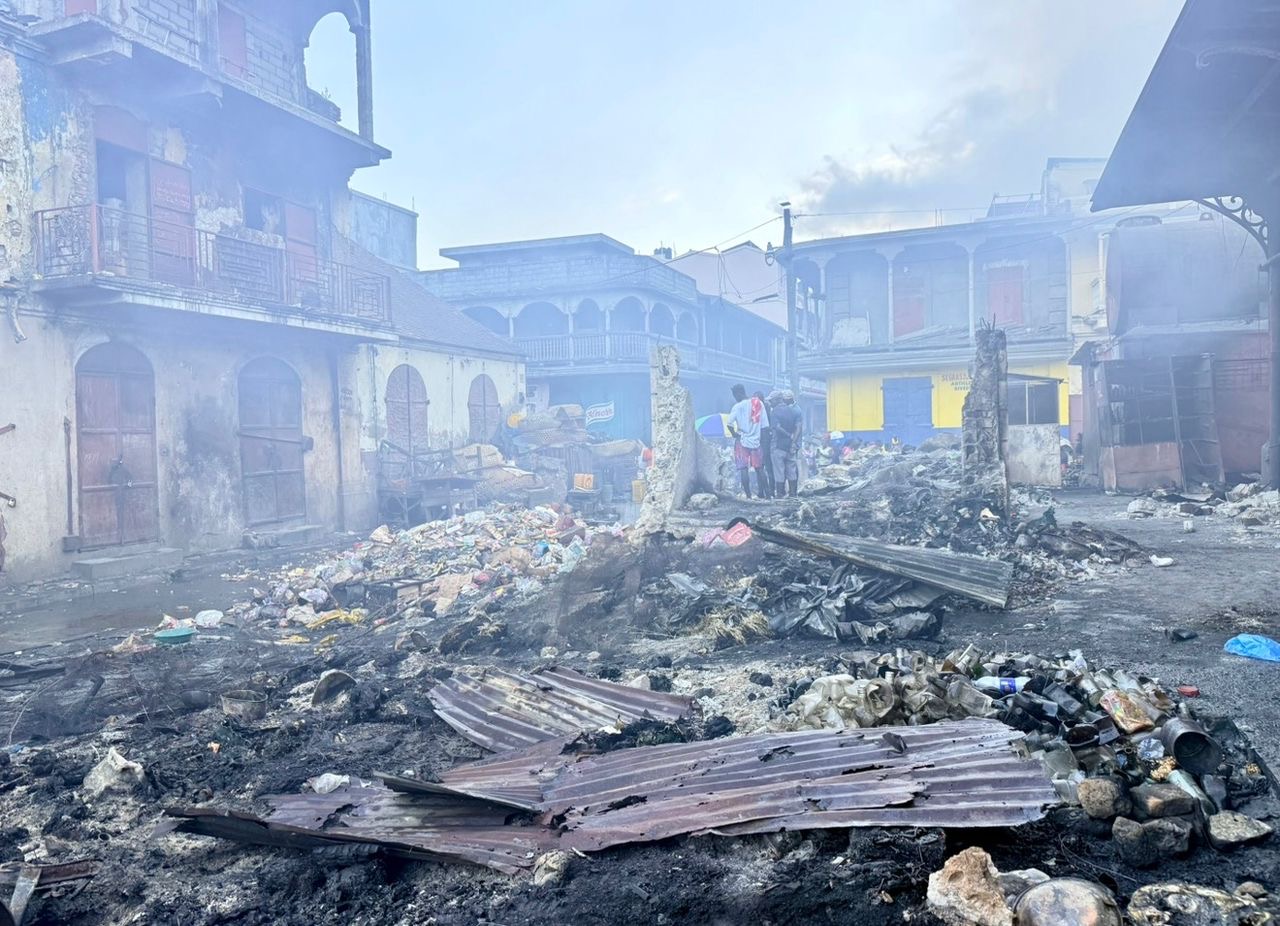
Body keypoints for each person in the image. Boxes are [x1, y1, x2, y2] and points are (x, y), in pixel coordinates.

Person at [727, 383, 769, 498]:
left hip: (742, 441)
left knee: (743, 469)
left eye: (734, 395)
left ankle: (749, 496)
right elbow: (765, 426)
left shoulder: (737, 406)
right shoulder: (758, 403)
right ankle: (768, 495)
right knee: (760, 469)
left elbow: (729, 424)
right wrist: (764, 443)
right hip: (756, 441)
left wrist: (735, 435)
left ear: (738, 393)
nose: (734, 398)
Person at [769, 390, 803, 497]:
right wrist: (793, 441)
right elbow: (798, 427)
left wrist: (788, 435)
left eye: (771, 401)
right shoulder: (793, 410)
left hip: (778, 446)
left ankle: (780, 493)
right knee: (791, 470)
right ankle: (793, 493)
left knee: (779, 471)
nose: (770, 403)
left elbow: (777, 427)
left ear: (777, 400)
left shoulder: (774, 411)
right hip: (790, 447)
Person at [755, 390, 776, 498]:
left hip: (763, 440)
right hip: (764, 440)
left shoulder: (763, 409)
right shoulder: (766, 408)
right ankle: (767, 491)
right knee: (765, 467)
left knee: (763, 467)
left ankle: (766, 491)